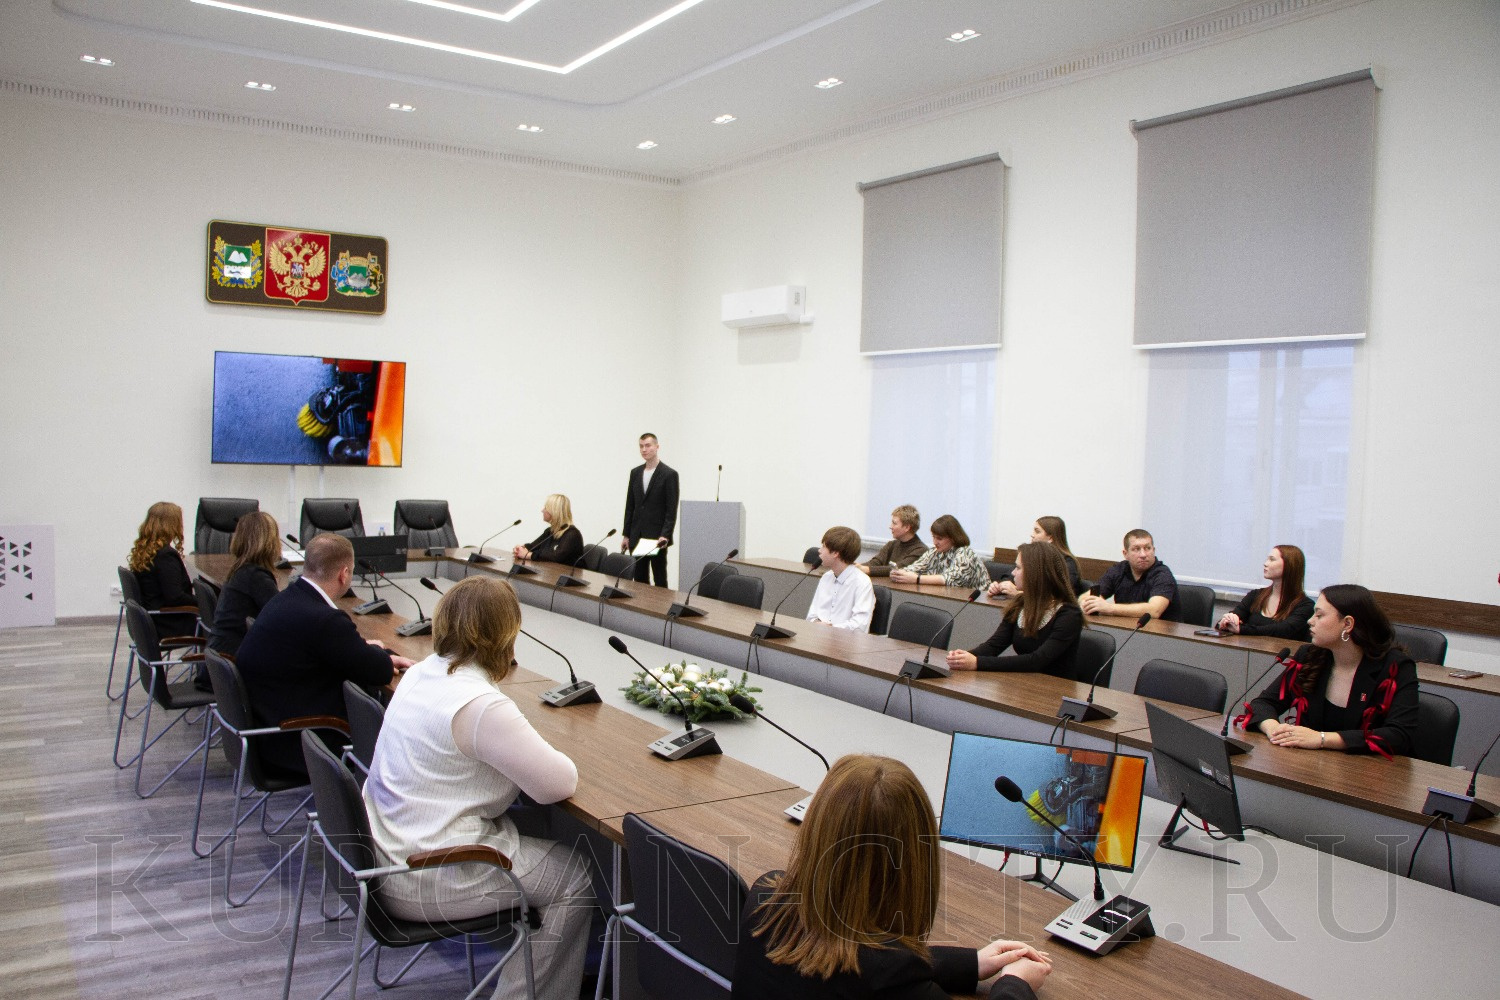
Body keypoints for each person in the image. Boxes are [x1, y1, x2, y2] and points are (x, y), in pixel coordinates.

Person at [362, 576, 596, 1000]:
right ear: (506, 634)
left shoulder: (420, 672)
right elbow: (558, 784)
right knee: (574, 874)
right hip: (426, 873)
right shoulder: (479, 704)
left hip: (386, 852)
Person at [733, 754, 1051, 1000]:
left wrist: (972, 964)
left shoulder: (765, 897)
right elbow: (879, 967)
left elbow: (851, 953)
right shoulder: (892, 980)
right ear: (914, 861)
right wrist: (1015, 983)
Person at [235, 533, 413, 777]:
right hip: (300, 743)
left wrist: (368, 652)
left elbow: (340, 652)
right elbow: (378, 671)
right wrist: (381, 655)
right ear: (344, 574)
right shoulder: (325, 619)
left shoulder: (287, 599)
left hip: (268, 732)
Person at [1238, 584, 1419, 758]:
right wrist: (1275, 730)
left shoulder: (1395, 667)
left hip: (1371, 773)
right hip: (1311, 765)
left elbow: (1398, 735)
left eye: (1319, 615)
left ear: (1347, 624)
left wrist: (1322, 739)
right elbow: (1262, 704)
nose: (1310, 621)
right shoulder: (1309, 656)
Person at [949, 543, 1084, 679]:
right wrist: (963, 657)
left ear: (1035, 573)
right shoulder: (1020, 603)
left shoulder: (1069, 615)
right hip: (1025, 682)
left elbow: (1037, 660)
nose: (1013, 572)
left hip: (1056, 687)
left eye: (1018, 568)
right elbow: (994, 645)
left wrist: (978, 663)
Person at [209, 510, 281, 657]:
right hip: (234, 658)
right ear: (270, 542)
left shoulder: (241, 570)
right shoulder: (256, 577)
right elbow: (283, 616)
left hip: (222, 654)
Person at [127, 501, 198, 639]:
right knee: (218, 621)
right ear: (172, 525)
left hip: (153, 620)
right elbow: (175, 597)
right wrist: (203, 602)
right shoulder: (165, 555)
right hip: (168, 623)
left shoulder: (146, 551)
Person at [1216, 545, 1314, 641]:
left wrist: (1242, 629)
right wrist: (1227, 621)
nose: (1265, 563)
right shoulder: (1255, 595)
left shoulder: (1306, 605)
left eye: (1272, 559)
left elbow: (1284, 630)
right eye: (1267, 559)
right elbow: (1223, 623)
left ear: (1289, 565)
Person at [1079, 529, 1179, 621]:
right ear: (1125, 554)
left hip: (1163, 632)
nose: (1143, 555)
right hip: (1127, 629)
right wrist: (1087, 602)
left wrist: (1109, 608)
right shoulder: (1119, 570)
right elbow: (1086, 596)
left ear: (1154, 550)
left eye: (1147, 548)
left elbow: (1154, 610)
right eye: (1136, 549)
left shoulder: (1162, 574)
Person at [621, 432, 680, 587]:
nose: (644, 449)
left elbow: (671, 509)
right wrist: (626, 534)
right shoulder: (635, 473)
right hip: (637, 535)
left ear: (657, 446)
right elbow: (630, 506)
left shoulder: (669, 474)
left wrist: (665, 535)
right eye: (641, 446)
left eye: (648, 445)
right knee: (639, 580)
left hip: (657, 538)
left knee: (659, 580)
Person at [988, 516, 1081, 598]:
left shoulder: (1067, 563)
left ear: (1050, 538)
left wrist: (1019, 594)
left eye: (1037, 531)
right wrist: (999, 587)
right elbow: (1010, 576)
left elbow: (1059, 595)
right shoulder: (1029, 556)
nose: (1032, 535)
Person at [889, 514, 989, 590]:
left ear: (953, 538)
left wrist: (917, 579)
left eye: (939, 538)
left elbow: (950, 579)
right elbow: (915, 568)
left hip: (980, 604)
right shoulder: (934, 552)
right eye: (933, 537)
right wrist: (900, 573)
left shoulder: (965, 553)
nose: (935, 542)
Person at [806, 526, 877, 631]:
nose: (819, 551)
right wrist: (817, 623)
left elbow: (860, 626)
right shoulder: (826, 577)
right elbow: (811, 616)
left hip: (846, 639)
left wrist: (830, 629)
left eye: (823, 546)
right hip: (820, 635)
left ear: (835, 553)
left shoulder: (862, 582)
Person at [512, 494, 584, 567]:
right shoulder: (550, 531)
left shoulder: (572, 534)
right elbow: (533, 546)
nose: (542, 510)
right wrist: (521, 549)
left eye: (546, 508)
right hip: (551, 571)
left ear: (554, 511)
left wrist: (529, 555)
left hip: (567, 573)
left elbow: (556, 557)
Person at [858, 505, 928, 577]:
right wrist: (857, 567)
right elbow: (875, 562)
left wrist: (867, 569)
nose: (890, 527)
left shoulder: (921, 550)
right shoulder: (892, 544)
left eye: (894, 523)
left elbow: (898, 569)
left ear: (907, 527)